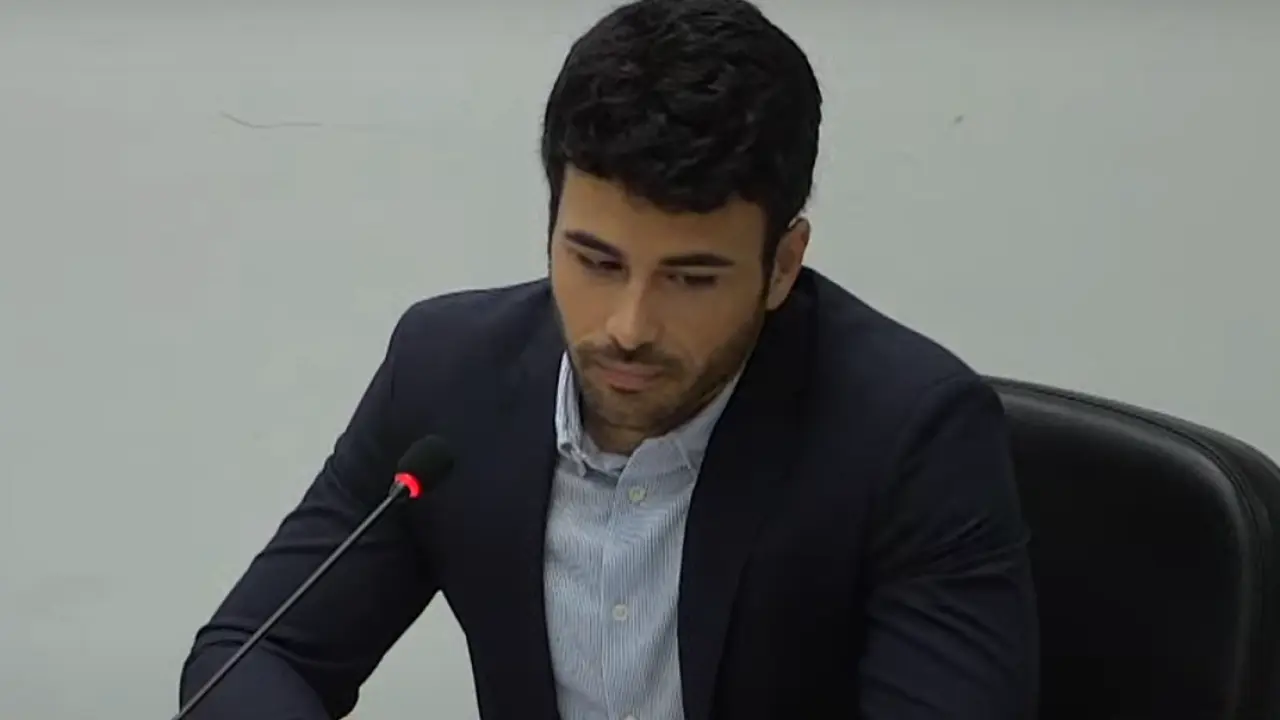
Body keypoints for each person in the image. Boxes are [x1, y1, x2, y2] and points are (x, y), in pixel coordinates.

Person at [179, 0, 1038, 717]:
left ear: (782, 264)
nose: (628, 326)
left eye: (690, 278)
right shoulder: (447, 380)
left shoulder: (910, 436)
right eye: (595, 262)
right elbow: (255, 656)